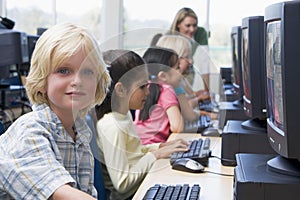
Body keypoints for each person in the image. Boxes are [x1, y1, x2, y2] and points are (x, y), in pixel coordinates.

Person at [0, 22, 111, 199]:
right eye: (64, 70)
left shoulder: (80, 132)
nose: (77, 80)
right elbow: (62, 195)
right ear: (42, 82)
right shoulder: (29, 132)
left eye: (88, 72)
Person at [94, 49, 189, 200]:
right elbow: (123, 183)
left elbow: (134, 154)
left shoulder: (123, 116)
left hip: (140, 189)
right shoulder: (112, 126)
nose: (147, 92)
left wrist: (160, 147)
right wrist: (155, 155)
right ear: (121, 89)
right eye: (142, 86)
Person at [156, 34, 216, 121]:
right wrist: (210, 115)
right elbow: (187, 110)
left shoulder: (177, 83)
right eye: (186, 57)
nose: (191, 61)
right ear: (173, 60)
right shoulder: (168, 87)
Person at [134, 47, 184, 145]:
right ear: (163, 76)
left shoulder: (145, 87)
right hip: (154, 146)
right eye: (177, 67)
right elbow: (177, 127)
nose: (181, 71)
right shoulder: (166, 90)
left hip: (140, 144)